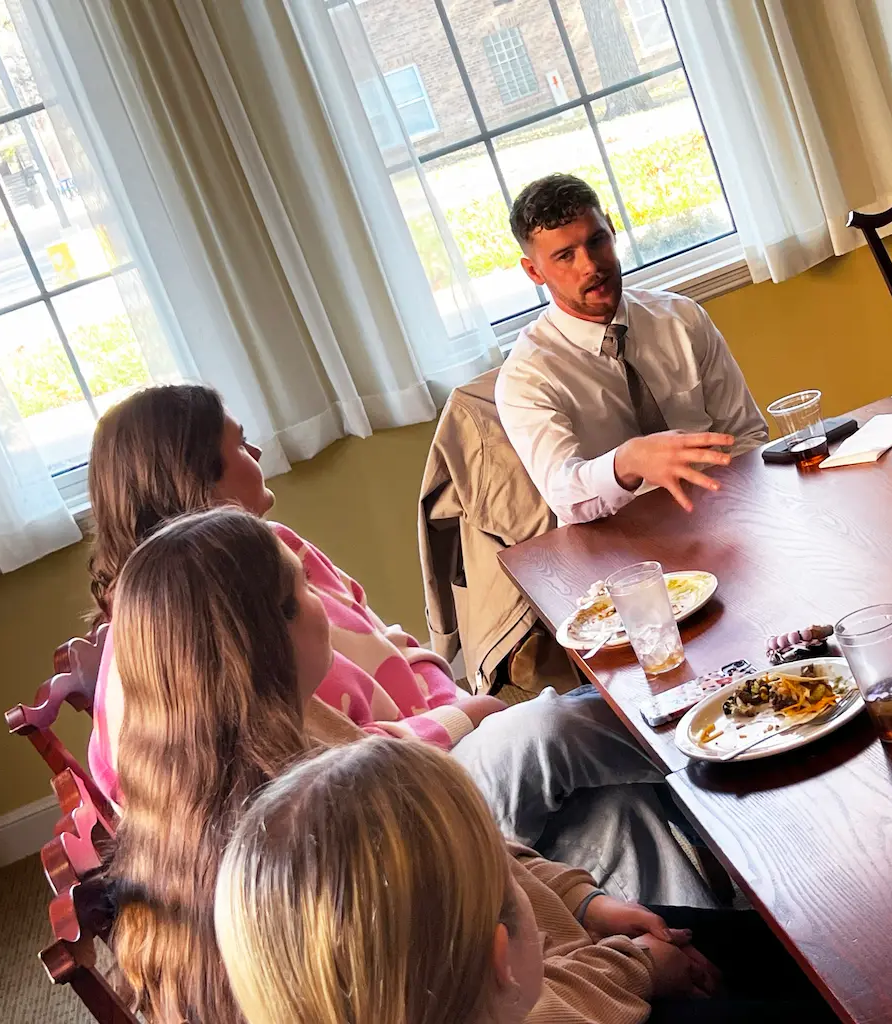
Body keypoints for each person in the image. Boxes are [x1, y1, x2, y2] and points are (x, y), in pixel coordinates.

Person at [85, 384, 711, 907]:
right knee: (550, 728)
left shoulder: (275, 546)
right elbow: (318, 777)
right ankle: (707, 722)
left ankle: (711, 948)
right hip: (389, 815)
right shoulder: (198, 632)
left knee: (609, 810)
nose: (256, 450)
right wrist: (461, 718)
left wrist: (455, 705)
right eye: (239, 444)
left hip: (436, 750)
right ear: (199, 478)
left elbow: (395, 642)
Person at [214, 737, 830, 1024]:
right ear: (501, 956)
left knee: (772, 946)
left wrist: (584, 903)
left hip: (595, 968)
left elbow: (508, 860)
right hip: (600, 984)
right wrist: (635, 966)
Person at [496, 174, 768, 526]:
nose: (591, 266)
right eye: (565, 256)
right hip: (618, 543)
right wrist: (627, 460)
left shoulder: (681, 318)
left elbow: (746, 434)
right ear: (534, 271)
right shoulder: (527, 376)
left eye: (597, 241)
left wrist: (745, 514)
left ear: (612, 229)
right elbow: (563, 494)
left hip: (724, 512)